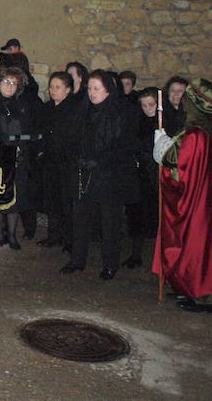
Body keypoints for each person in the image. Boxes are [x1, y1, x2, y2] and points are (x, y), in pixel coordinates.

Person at [152, 79, 212, 313]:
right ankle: (192, 288)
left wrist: (162, 145)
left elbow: (178, 163)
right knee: (209, 245)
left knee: (197, 244)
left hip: (198, 201)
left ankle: (202, 296)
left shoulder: (196, 134)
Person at [61, 71, 138, 280]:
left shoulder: (119, 114)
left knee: (110, 221)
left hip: (109, 175)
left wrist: (101, 161)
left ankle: (110, 264)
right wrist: (79, 158)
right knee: (80, 218)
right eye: (89, 88)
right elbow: (72, 139)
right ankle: (77, 260)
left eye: (96, 89)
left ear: (107, 90)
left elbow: (123, 146)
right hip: (83, 172)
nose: (92, 93)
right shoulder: (83, 112)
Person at [0, 66, 40, 248]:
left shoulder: (23, 106)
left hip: (17, 157)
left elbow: (29, 129)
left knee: (16, 197)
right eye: (6, 82)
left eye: (14, 83)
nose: (9, 86)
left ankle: (12, 234)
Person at [36, 71, 82, 250]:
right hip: (50, 161)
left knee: (66, 202)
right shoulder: (47, 109)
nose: (53, 90)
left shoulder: (74, 110)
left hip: (66, 163)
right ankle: (53, 235)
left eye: (58, 87)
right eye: (51, 87)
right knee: (52, 200)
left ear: (68, 90)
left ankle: (69, 240)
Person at [125, 87, 162, 268]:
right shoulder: (136, 123)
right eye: (144, 105)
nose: (148, 109)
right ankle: (136, 254)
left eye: (151, 105)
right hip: (140, 175)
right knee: (137, 215)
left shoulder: (164, 123)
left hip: (157, 176)